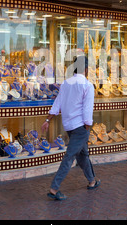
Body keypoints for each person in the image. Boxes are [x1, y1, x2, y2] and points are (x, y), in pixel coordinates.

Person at [42, 55, 100, 201]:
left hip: (69, 125)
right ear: (86, 69)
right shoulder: (87, 85)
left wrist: (48, 119)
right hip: (81, 127)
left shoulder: (66, 83)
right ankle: (54, 188)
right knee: (70, 157)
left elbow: (57, 103)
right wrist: (87, 126)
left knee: (83, 155)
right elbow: (87, 110)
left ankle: (92, 181)